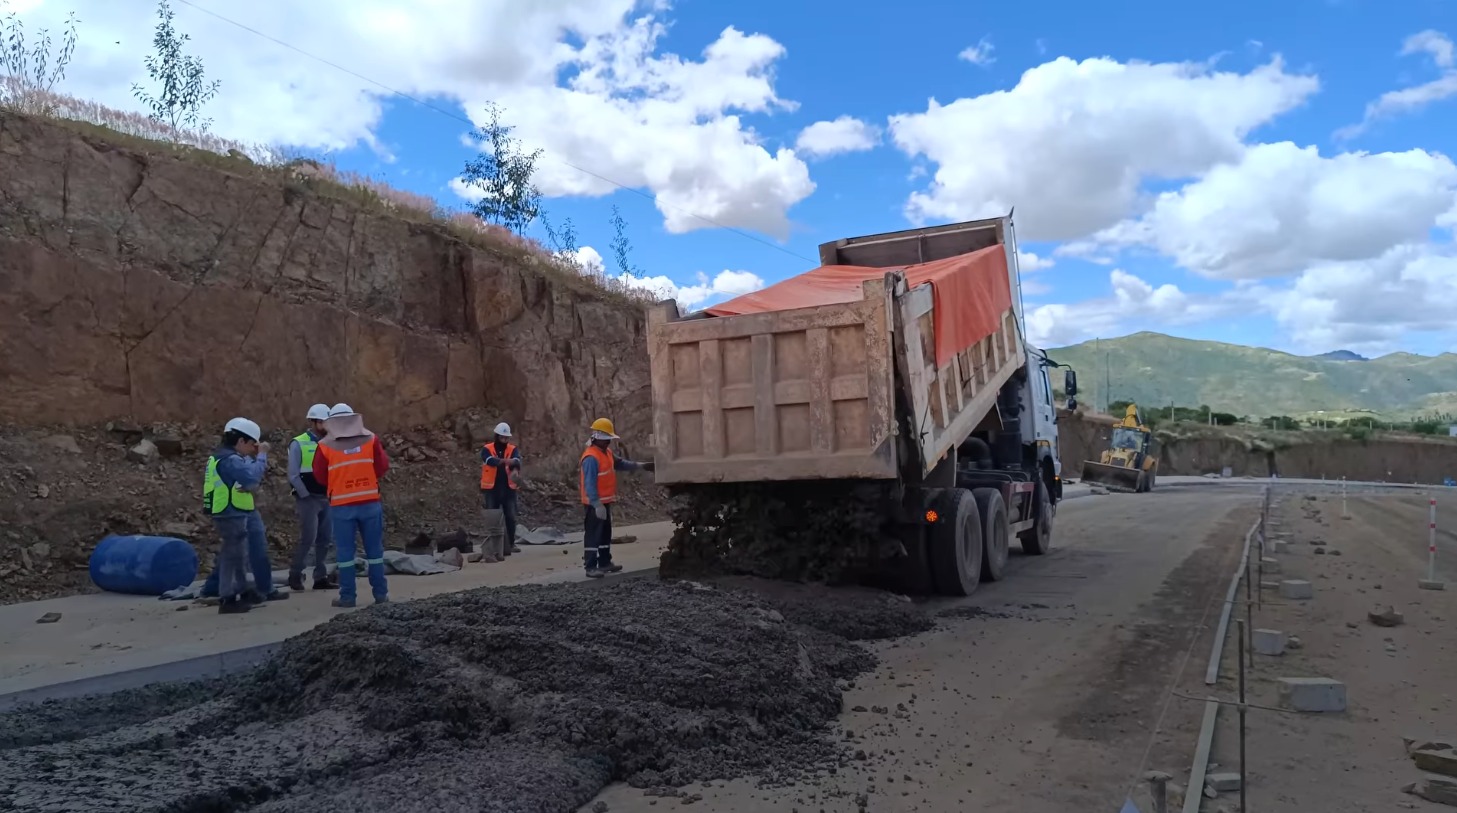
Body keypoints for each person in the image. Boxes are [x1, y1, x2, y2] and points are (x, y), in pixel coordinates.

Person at [202, 417, 289, 613]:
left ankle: (242, 591)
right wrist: (262, 455)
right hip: (230, 512)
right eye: (252, 445)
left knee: (238, 554)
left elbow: (248, 479)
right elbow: (251, 478)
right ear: (241, 441)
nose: (252, 450)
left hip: (232, 511)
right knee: (232, 555)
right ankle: (227, 598)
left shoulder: (224, 457)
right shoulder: (231, 460)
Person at [312, 403, 391, 608]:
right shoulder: (371, 439)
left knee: (345, 553)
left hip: (342, 506)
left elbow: (319, 476)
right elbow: (382, 467)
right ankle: (380, 594)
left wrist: (339, 481)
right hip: (370, 503)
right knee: (375, 551)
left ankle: (348, 596)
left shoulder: (324, 445)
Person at [579, 417, 654, 578]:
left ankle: (604, 562)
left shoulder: (606, 453)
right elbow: (589, 484)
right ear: (597, 437)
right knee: (593, 534)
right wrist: (596, 504)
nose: (608, 442)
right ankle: (590, 566)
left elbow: (620, 464)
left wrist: (640, 465)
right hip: (594, 504)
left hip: (605, 501)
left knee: (605, 533)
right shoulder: (591, 457)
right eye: (606, 439)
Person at [287, 404, 337, 591]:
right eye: (323, 422)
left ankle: (320, 577)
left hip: (326, 497)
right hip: (308, 499)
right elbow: (293, 474)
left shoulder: (331, 442)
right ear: (313, 422)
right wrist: (305, 495)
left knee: (325, 539)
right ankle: (295, 574)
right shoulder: (298, 443)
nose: (326, 425)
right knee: (308, 538)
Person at [480, 422, 522, 559]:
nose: (505, 440)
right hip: (492, 489)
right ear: (497, 436)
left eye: (506, 438)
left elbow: (517, 461)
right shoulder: (487, 448)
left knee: (510, 516)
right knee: (493, 518)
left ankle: (511, 543)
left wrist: (514, 465)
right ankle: (493, 545)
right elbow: (489, 460)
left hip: (508, 489)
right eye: (502, 437)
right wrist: (506, 461)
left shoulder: (512, 449)